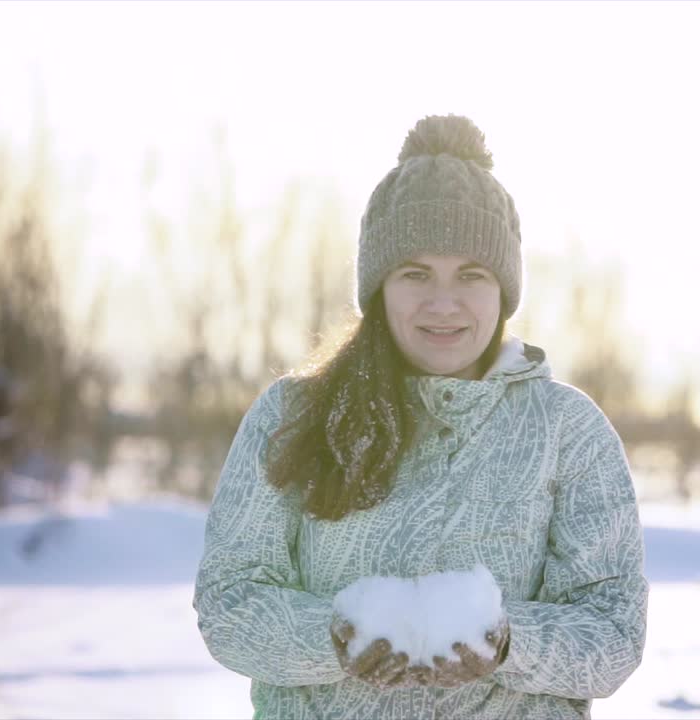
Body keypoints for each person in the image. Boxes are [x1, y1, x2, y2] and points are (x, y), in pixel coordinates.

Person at [193, 114, 647, 719]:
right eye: (415, 273)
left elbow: (613, 632)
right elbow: (228, 603)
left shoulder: (568, 429)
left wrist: (509, 643)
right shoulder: (292, 414)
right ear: (379, 287)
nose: (443, 302)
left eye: (471, 274)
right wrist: (334, 638)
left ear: (503, 290)